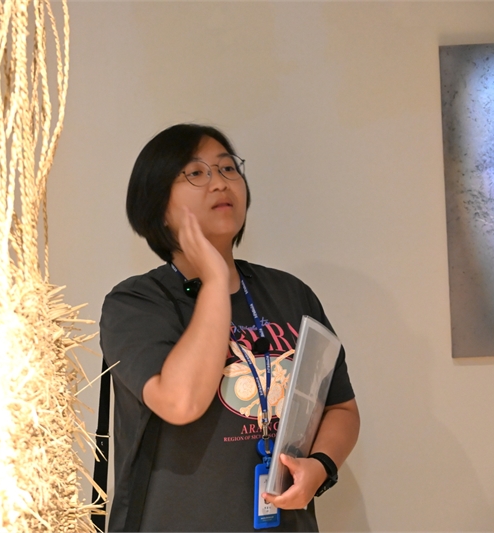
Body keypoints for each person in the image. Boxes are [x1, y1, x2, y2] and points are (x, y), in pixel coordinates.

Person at [99, 124, 360, 532]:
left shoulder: (291, 294)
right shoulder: (136, 303)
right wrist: (216, 280)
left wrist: (321, 465)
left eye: (227, 169)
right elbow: (181, 402)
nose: (219, 182)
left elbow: (340, 407)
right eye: (195, 173)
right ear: (158, 206)